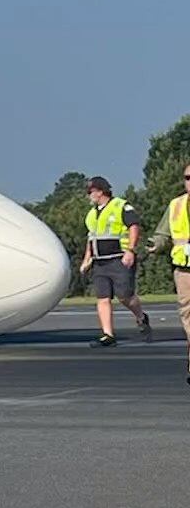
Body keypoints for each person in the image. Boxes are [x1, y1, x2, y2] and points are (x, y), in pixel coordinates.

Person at [78, 175, 151, 346]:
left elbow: (133, 226)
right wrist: (87, 259)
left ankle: (141, 316)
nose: (88, 195)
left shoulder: (121, 206)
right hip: (100, 262)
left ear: (99, 192)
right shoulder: (91, 215)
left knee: (125, 296)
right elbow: (91, 238)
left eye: (90, 192)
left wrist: (130, 250)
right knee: (102, 298)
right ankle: (108, 335)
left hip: (119, 259)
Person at [147, 159, 190, 383]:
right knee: (188, 316)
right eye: (187, 178)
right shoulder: (176, 205)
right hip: (184, 271)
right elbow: (164, 234)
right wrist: (155, 244)